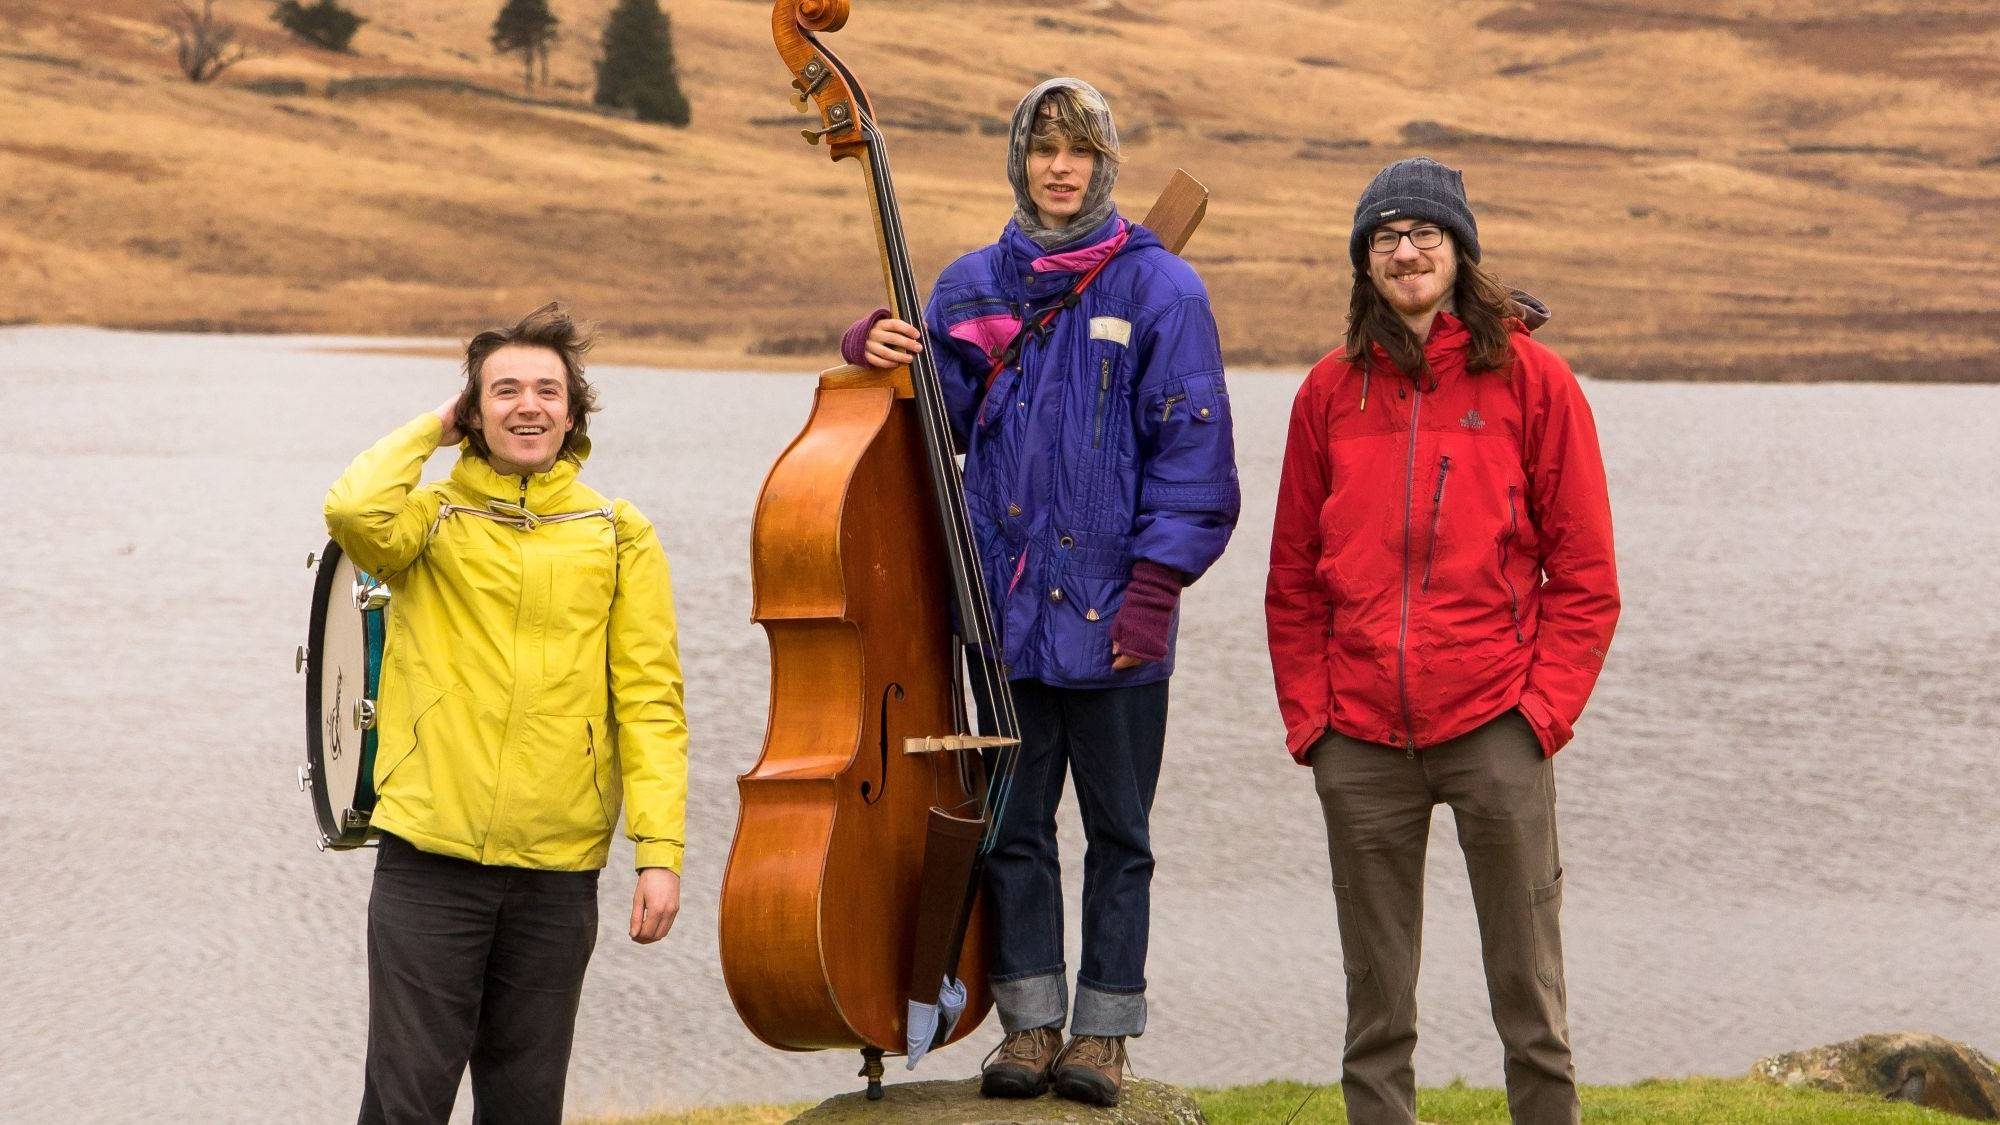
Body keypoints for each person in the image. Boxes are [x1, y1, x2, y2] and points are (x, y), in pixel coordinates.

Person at [842, 78, 1239, 1106]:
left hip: (1117, 619)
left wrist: (1153, 592)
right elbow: (933, 429)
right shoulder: (972, 287)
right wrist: (870, 354)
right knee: (1013, 830)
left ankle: (1103, 1034)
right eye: (1040, 148)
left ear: (1105, 163)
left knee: (1120, 834)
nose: (1057, 167)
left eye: (1077, 149)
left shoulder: (1160, 292)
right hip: (1002, 619)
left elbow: (1192, 460)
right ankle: (1028, 1026)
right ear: (1016, 159)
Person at [1264, 158, 1619, 1125]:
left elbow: (1585, 579)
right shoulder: (1328, 394)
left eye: (1425, 234)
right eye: (1385, 238)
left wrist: (1538, 715)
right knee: (1375, 1006)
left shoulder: (1535, 383)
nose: (1406, 251)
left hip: (1496, 725)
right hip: (1361, 741)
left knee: (1530, 996)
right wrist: (1314, 725)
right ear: (1363, 264)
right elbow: (1292, 578)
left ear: (1460, 252)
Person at [324, 303, 688, 1125]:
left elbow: (651, 703)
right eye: (505, 390)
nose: (529, 405)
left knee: (525, 1105)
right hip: (430, 861)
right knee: (404, 1101)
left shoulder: (617, 532)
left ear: (574, 410)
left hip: (556, 872)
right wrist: (433, 428)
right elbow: (352, 512)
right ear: (474, 412)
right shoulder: (430, 522)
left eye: (548, 390)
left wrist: (658, 851)